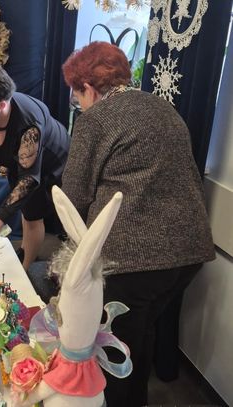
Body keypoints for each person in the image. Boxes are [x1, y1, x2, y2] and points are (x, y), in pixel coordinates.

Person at [61, 41, 215, 407]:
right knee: (139, 334)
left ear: (88, 88)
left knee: (115, 347)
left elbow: (73, 194)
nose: (79, 104)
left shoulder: (95, 120)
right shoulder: (163, 108)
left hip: (132, 259)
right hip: (188, 252)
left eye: (77, 96)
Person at [0, 64, 70, 270]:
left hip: (52, 161)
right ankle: (24, 250)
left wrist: (0, 218)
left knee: (33, 214)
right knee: (25, 210)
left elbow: (30, 179)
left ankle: (25, 269)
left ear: (2, 104)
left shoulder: (29, 125)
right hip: (19, 160)